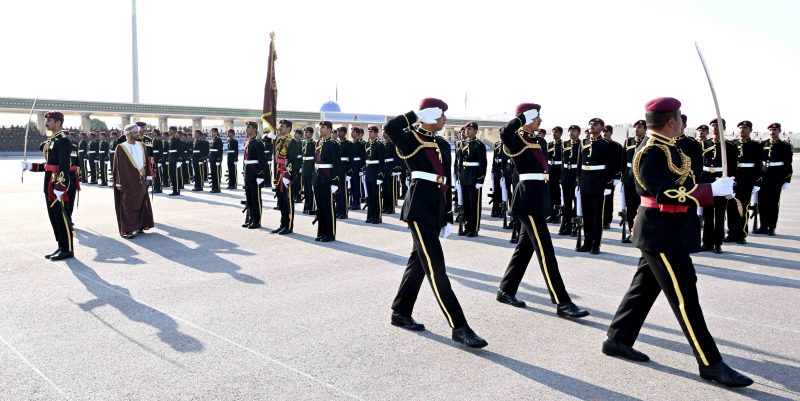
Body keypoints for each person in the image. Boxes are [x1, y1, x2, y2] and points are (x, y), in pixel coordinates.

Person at [603, 97, 753, 388]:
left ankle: (618, 339)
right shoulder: (650, 151)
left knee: (643, 289)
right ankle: (710, 363)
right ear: (672, 120)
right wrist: (710, 190)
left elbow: (682, 181)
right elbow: (665, 192)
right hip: (661, 232)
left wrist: (710, 187)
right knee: (686, 296)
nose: (683, 120)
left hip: (668, 228)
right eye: (680, 116)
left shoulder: (669, 146)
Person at [385, 98, 487, 349]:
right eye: (440, 116)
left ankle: (400, 311)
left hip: (436, 207)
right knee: (436, 267)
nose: (444, 120)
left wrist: (448, 215)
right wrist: (415, 114)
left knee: (418, 263)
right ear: (429, 116)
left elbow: (446, 181)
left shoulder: (441, 143)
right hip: (419, 207)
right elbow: (391, 129)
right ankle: (459, 326)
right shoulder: (411, 137)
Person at [495, 103, 590, 319]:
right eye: (536, 117)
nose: (540, 121)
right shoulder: (516, 138)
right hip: (527, 198)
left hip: (537, 196)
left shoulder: (535, 141)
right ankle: (562, 302)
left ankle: (506, 290)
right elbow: (504, 132)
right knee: (546, 251)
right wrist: (521, 118)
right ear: (527, 118)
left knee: (524, 249)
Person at [20, 111, 74, 260]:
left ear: (58, 122)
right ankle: (61, 245)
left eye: (49, 120)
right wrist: (31, 166)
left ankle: (68, 248)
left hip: (57, 183)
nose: (46, 123)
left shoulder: (63, 140)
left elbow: (64, 165)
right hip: (49, 181)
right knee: (54, 216)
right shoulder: (52, 140)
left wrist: (61, 186)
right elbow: (49, 165)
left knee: (62, 216)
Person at [576, 118, 615, 254]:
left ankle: (595, 244)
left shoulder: (606, 144)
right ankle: (587, 242)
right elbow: (579, 162)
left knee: (597, 216)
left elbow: (610, 166)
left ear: (602, 127)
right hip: (585, 181)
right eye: (591, 124)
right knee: (586, 214)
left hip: (598, 182)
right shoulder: (584, 142)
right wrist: (578, 181)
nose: (592, 126)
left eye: (595, 124)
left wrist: (608, 184)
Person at [699, 119, 737, 254]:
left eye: (718, 126)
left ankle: (717, 243)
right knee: (707, 214)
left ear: (724, 128)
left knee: (720, 214)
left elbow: (733, 167)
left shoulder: (730, 146)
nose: (715, 128)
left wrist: (729, 184)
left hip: (721, 179)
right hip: (706, 180)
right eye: (713, 126)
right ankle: (707, 242)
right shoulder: (703, 144)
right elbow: (698, 164)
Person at [113, 124, 154, 239]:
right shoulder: (121, 147)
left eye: (138, 131)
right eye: (135, 131)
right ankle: (128, 229)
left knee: (141, 202)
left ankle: (140, 225)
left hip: (141, 180)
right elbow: (117, 167)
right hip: (127, 181)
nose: (138, 133)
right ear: (129, 133)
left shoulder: (142, 145)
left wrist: (149, 177)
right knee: (128, 205)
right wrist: (118, 182)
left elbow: (147, 162)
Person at [724, 120, 762, 244]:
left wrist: (756, 182)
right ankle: (731, 233)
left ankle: (741, 234)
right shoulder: (732, 144)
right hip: (733, 179)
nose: (742, 129)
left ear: (750, 130)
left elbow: (759, 165)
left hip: (747, 179)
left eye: (745, 127)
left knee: (743, 206)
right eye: (740, 127)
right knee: (730, 207)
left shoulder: (756, 145)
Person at [754, 123, 792, 235]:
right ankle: (763, 226)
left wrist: (786, 180)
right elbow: (758, 161)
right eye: (770, 129)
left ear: (779, 131)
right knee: (762, 202)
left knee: (773, 202)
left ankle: (772, 227)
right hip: (764, 176)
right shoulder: (762, 144)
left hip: (777, 177)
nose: (772, 131)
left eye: (775, 129)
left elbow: (788, 164)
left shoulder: (785, 146)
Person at [313, 121, 342, 242]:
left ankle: (330, 233)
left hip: (328, 178)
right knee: (320, 206)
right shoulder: (318, 142)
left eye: (323, 127)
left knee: (328, 206)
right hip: (318, 177)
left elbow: (337, 164)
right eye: (320, 127)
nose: (321, 129)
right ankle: (321, 232)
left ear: (330, 130)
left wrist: (335, 182)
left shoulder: (334, 144)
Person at [457, 121, 487, 237]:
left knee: (474, 205)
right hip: (465, 177)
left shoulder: (479, 145)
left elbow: (483, 164)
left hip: (474, 178)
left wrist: (480, 180)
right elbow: (460, 162)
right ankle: (467, 227)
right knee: (466, 205)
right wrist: (459, 175)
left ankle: (474, 228)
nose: (467, 131)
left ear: (475, 131)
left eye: (469, 129)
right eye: (466, 129)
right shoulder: (463, 144)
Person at [272, 119, 300, 234]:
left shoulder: (292, 142)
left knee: (288, 201)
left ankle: (288, 226)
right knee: (281, 200)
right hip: (279, 174)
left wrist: (288, 175)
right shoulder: (278, 140)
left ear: (288, 129)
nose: (280, 128)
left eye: (282, 126)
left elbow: (294, 162)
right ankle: (282, 224)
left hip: (287, 175)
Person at [621, 120, 647, 242]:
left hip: (643, 179)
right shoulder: (628, 141)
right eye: (635, 126)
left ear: (645, 129)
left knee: (642, 207)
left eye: (640, 127)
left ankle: (642, 234)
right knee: (630, 208)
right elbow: (622, 160)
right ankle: (632, 233)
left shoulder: (648, 141)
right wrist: (622, 176)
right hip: (629, 178)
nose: (636, 129)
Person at [242, 121, 269, 229]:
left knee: (256, 197)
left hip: (255, 173)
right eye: (246, 127)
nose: (246, 129)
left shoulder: (258, 143)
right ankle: (251, 219)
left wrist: (260, 175)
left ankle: (257, 221)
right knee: (249, 197)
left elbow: (262, 161)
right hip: (248, 173)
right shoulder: (247, 141)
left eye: (248, 127)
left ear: (254, 129)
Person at [559, 125, 581, 236]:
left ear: (579, 133)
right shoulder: (565, 144)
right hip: (566, 175)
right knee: (566, 203)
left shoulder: (582, 144)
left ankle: (575, 225)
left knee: (577, 203)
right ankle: (566, 226)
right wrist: (561, 177)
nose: (571, 132)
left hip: (575, 175)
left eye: (574, 130)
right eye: (570, 130)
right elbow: (563, 161)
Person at [364, 126, 385, 224]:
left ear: (376, 133)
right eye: (369, 132)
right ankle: (370, 216)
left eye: (371, 132)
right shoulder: (367, 144)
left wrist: (380, 175)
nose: (370, 134)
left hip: (376, 172)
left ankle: (377, 217)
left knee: (376, 196)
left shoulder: (380, 145)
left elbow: (382, 161)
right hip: (368, 172)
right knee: (370, 197)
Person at [546, 126, 564, 223]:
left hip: (558, 171)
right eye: (553, 132)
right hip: (550, 171)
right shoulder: (549, 144)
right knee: (550, 194)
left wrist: (562, 175)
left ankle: (557, 215)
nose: (554, 134)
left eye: (556, 132)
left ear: (560, 133)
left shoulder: (563, 145)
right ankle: (551, 214)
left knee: (557, 195)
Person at [301, 127, 316, 214]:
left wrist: (313, 169)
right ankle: (306, 206)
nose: (305, 134)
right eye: (305, 132)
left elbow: (315, 158)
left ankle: (311, 208)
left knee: (311, 189)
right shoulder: (304, 143)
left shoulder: (314, 143)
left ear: (311, 133)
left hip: (310, 168)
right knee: (306, 189)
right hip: (304, 168)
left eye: (307, 132)